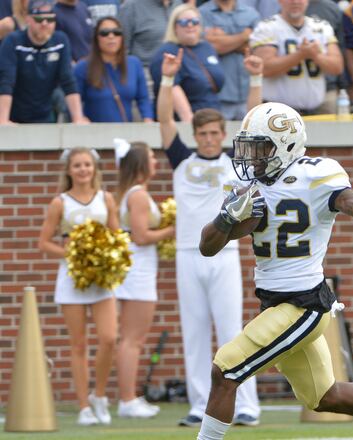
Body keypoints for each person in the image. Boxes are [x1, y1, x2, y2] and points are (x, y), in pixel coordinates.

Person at [194, 101, 353, 440]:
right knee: (325, 396)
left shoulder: (315, 175)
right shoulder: (251, 189)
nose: (252, 156)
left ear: (284, 146)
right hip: (275, 304)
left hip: (301, 305)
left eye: (261, 147)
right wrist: (226, 218)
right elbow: (208, 247)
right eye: (249, 147)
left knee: (224, 371)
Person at [157, 47, 260, 428]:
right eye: (203, 133)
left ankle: (246, 405)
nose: (210, 139)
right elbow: (164, 119)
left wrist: (255, 78)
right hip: (187, 253)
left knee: (232, 330)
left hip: (224, 253)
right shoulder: (181, 158)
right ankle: (199, 403)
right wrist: (168, 77)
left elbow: (252, 122)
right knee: (195, 332)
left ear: (222, 134)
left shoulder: (235, 160)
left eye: (216, 133)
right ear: (195, 134)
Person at [37, 147, 118, 426]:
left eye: (87, 165)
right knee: (78, 344)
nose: (83, 170)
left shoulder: (106, 198)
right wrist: (74, 254)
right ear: (69, 170)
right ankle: (83, 405)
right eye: (77, 165)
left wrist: (105, 254)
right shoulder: (60, 202)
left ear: (94, 168)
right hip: (72, 277)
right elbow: (44, 242)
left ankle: (99, 395)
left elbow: (117, 236)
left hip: (101, 278)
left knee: (109, 338)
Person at [112, 140, 174, 418]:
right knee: (132, 339)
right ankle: (127, 399)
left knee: (129, 337)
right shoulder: (137, 195)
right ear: (140, 164)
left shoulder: (132, 193)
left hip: (138, 269)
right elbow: (141, 236)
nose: (155, 162)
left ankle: (127, 397)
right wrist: (174, 229)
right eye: (150, 157)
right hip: (137, 271)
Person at [0, 0, 89, 124]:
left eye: (50, 20)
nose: (45, 24)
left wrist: (78, 118)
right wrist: (3, 120)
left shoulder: (60, 40)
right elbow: (7, 81)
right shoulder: (13, 41)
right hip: (14, 116)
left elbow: (68, 81)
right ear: (28, 19)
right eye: (39, 19)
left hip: (45, 115)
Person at [249, 0, 343, 114]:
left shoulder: (322, 26)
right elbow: (265, 69)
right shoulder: (266, 27)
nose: (295, 2)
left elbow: (337, 67)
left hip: (317, 109)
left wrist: (316, 55)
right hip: (278, 112)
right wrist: (300, 55)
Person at [150, 4, 225, 118]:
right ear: (175, 27)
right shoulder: (167, 52)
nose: (190, 25)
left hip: (213, 116)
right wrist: (190, 126)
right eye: (184, 22)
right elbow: (173, 90)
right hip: (187, 121)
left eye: (195, 21)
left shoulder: (207, 47)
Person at [74, 16, 153, 122]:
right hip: (93, 133)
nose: (111, 36)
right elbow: (73, 99)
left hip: (125, 132)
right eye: (104, 33)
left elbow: (143, 98)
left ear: (122, 37)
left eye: (116, 32)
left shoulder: (134, 63)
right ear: (96, 38)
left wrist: (148, 118)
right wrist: (81, 118)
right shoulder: (82, 67)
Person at [198, 0, 261, 121]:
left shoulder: (251, 13)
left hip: (248, 95)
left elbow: (257, 46)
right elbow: (212, 47)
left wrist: (224, 39)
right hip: (218, 98)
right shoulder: (201, 13)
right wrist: (244, 36)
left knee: (250, 137)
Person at [118, 0, 182, 68]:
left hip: (179, 70)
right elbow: (121, 49)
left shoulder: (178, 3)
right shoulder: (131, 6)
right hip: (145, 72)